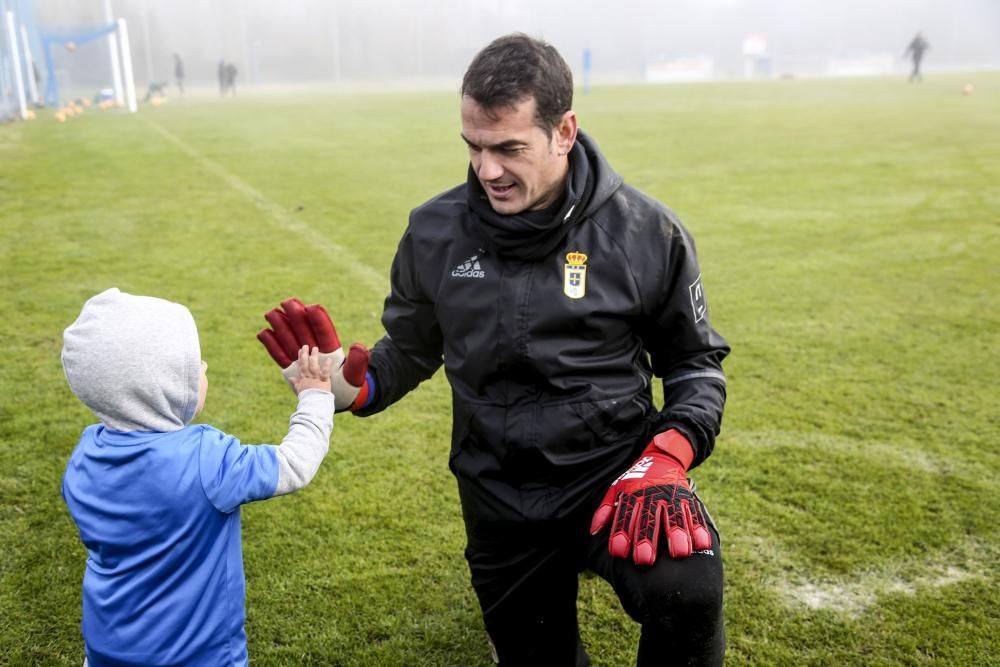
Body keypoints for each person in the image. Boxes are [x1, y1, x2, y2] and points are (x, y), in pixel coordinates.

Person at [276, 33, 730, 665]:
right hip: (499, 494)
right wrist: (343, 386)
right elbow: (406, 350)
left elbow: (693, 363)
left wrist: (667, 458)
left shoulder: (645, 234)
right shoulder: (434, 232)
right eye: (474, 146)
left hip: (616, 478)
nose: (487, 169)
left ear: (565, 131)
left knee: (689, 594)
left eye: (509, 147)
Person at [62, 289, 336, 666]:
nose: (204, 367)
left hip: (107, 648)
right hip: (198, 656)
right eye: (192, 366)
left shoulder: (85, 454)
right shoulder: (205, 458)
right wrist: (317, 396)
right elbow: (294, 464)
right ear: (162, 387)